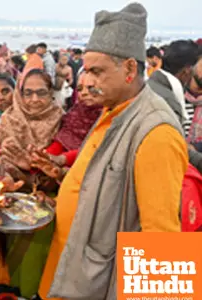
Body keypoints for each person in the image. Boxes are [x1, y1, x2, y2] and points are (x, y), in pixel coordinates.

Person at [38, 4, 188, 299]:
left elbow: (162, 241)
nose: (87, 81)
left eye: (97, 71)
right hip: (74, 272)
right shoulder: (113, 110)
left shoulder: (156, 131)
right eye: (86, 70)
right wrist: (64, 176)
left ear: (130, 69)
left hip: (103, 283)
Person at [0, 68, 64, 190]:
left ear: (50, 93)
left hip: (54, 187)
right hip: (14, 189)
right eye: (28, 93)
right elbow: (4, 158)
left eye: (41, 92)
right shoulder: (9, 118)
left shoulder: (61, 118)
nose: (34, 99)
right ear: (20, 94)